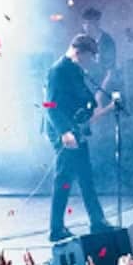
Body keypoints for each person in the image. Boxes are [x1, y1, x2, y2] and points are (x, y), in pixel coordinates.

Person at [46, 34, 113, 242]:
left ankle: (97, 222)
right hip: (64, 132)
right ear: (78, 52)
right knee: (64, 179)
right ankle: (56, 228)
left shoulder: (75, 70)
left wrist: (91, 105)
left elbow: (83, 97)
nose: (90, 61)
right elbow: (50, 106)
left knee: (86, 177)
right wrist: (64, 131)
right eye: (89, 56)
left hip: (76, 130)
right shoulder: (57, 71)